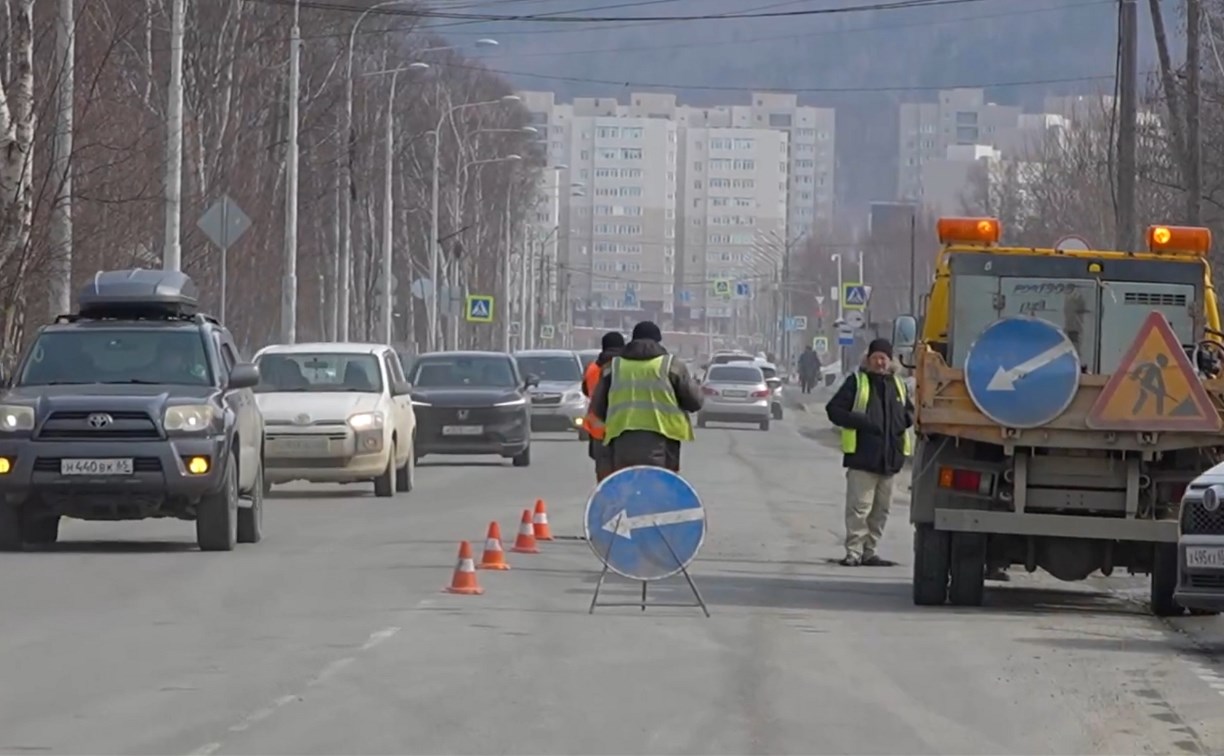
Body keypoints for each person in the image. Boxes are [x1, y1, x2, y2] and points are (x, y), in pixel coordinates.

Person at [825, 338, 914, 566]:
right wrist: (861, 421)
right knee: (859, 509)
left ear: (890, 361)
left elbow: (910, 413)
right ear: (868, 359)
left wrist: (900, 423)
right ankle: (854, 553)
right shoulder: (857, 382)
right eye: (876, 358)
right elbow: (833, 409)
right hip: (863, 458)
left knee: (881, 511)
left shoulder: (898, 385)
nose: (880, 362)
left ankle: (870, 551)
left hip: (890, 460)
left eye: (883, 358)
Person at [590, 321, 704, 473]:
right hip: (665, 439)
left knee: (626, 481)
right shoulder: (671, 365)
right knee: (660, 482)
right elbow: (694, 402)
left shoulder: (612, 367)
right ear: (658, 340)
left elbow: (597, 408)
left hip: (621, 438)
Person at [582, 331, 624, 483]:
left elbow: (586, 391)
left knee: (603, 473)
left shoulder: (592, 368)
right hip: (622, 427)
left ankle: (605, 495)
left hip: (597, 428)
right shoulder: (624, 367)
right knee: (622, 472)